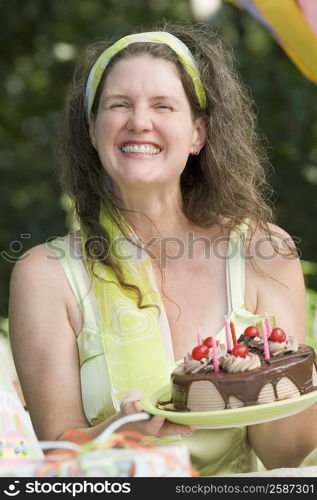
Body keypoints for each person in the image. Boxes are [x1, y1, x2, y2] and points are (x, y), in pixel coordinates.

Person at [8, 22, 317, 476]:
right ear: (92, 131)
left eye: (162, 105)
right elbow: (60, 456)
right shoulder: (46, 275)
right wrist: (119, 435)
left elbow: (283, 454)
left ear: (198, 134)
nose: (139, 121)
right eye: (119, 105)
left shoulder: (263, 252)